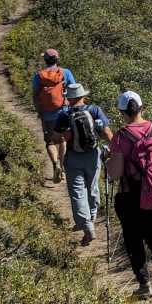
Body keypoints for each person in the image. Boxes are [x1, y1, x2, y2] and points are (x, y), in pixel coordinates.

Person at [108, 90, 152, 298]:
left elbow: (116, 173)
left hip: (132, 195)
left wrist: (108, 162)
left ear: (122, 112)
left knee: (133, 237)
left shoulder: (121, 137)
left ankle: (145, 285)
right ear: (142, 108)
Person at [55, 83, 113, 246]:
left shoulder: (64, 114)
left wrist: (65, 136)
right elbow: (106, 132)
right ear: (83, 96)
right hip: (93, 155)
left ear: (69, 98)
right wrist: (114, 149)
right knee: (92, 188)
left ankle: (87, 226)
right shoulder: (94, 110)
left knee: (77, 192)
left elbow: (56, 138)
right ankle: (91, 218)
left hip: (73, 157)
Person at [32, 48, 76, 183]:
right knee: (62, 140)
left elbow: (35, 95)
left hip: (47, 114)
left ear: (45, 60)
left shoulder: (39, 76)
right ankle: (62, 168)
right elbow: (74, 90)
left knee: (50, 142)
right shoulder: (65, 73)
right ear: (57, 59)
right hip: (63, 112)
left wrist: (39, 111)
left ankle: (55, 164)